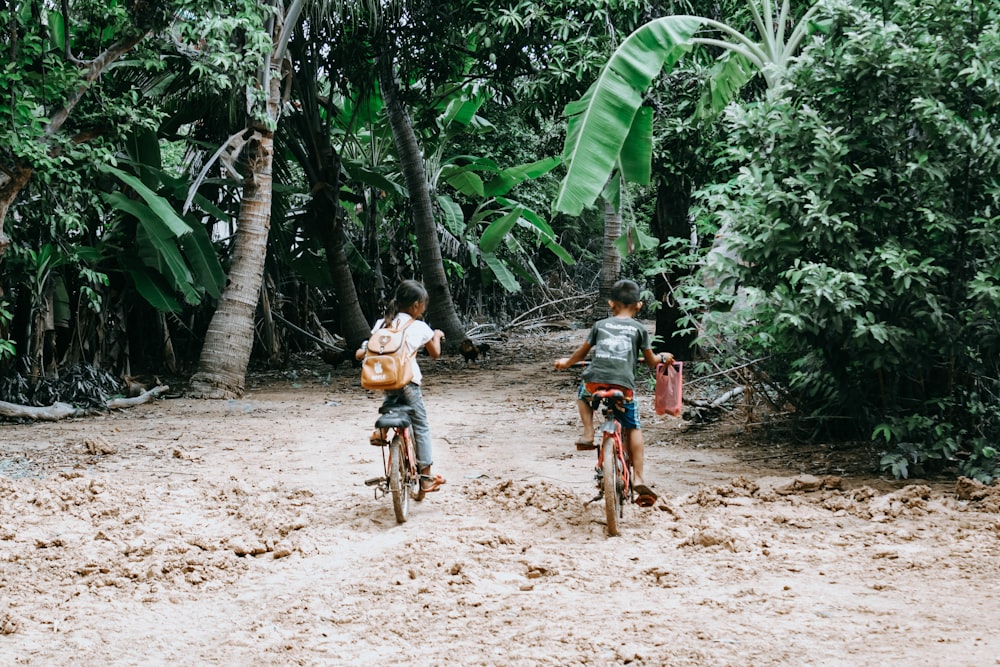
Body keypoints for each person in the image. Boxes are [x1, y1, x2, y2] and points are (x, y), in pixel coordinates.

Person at [554, 279, 674, 507]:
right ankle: (638, 478)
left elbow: (581, 353)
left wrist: (566, 363)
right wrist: (663, 358)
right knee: (634, 426)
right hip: (623, 388)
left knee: (582, 395)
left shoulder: (600, 325)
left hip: (594, 383)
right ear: (639, 306)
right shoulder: (639, 329)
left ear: (611, 304)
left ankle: (588, 433)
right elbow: (650, 362)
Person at [356, 280, 446, 493]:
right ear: (416, 305)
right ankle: (426, 477)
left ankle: (381, 431)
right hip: (408, 382)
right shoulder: (420, 327)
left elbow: (367, 348)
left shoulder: (381, 324)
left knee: (392, 399)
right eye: (423, 305)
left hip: (385, 379)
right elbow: (435, 354)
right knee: (421, 424)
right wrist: (437, 336)